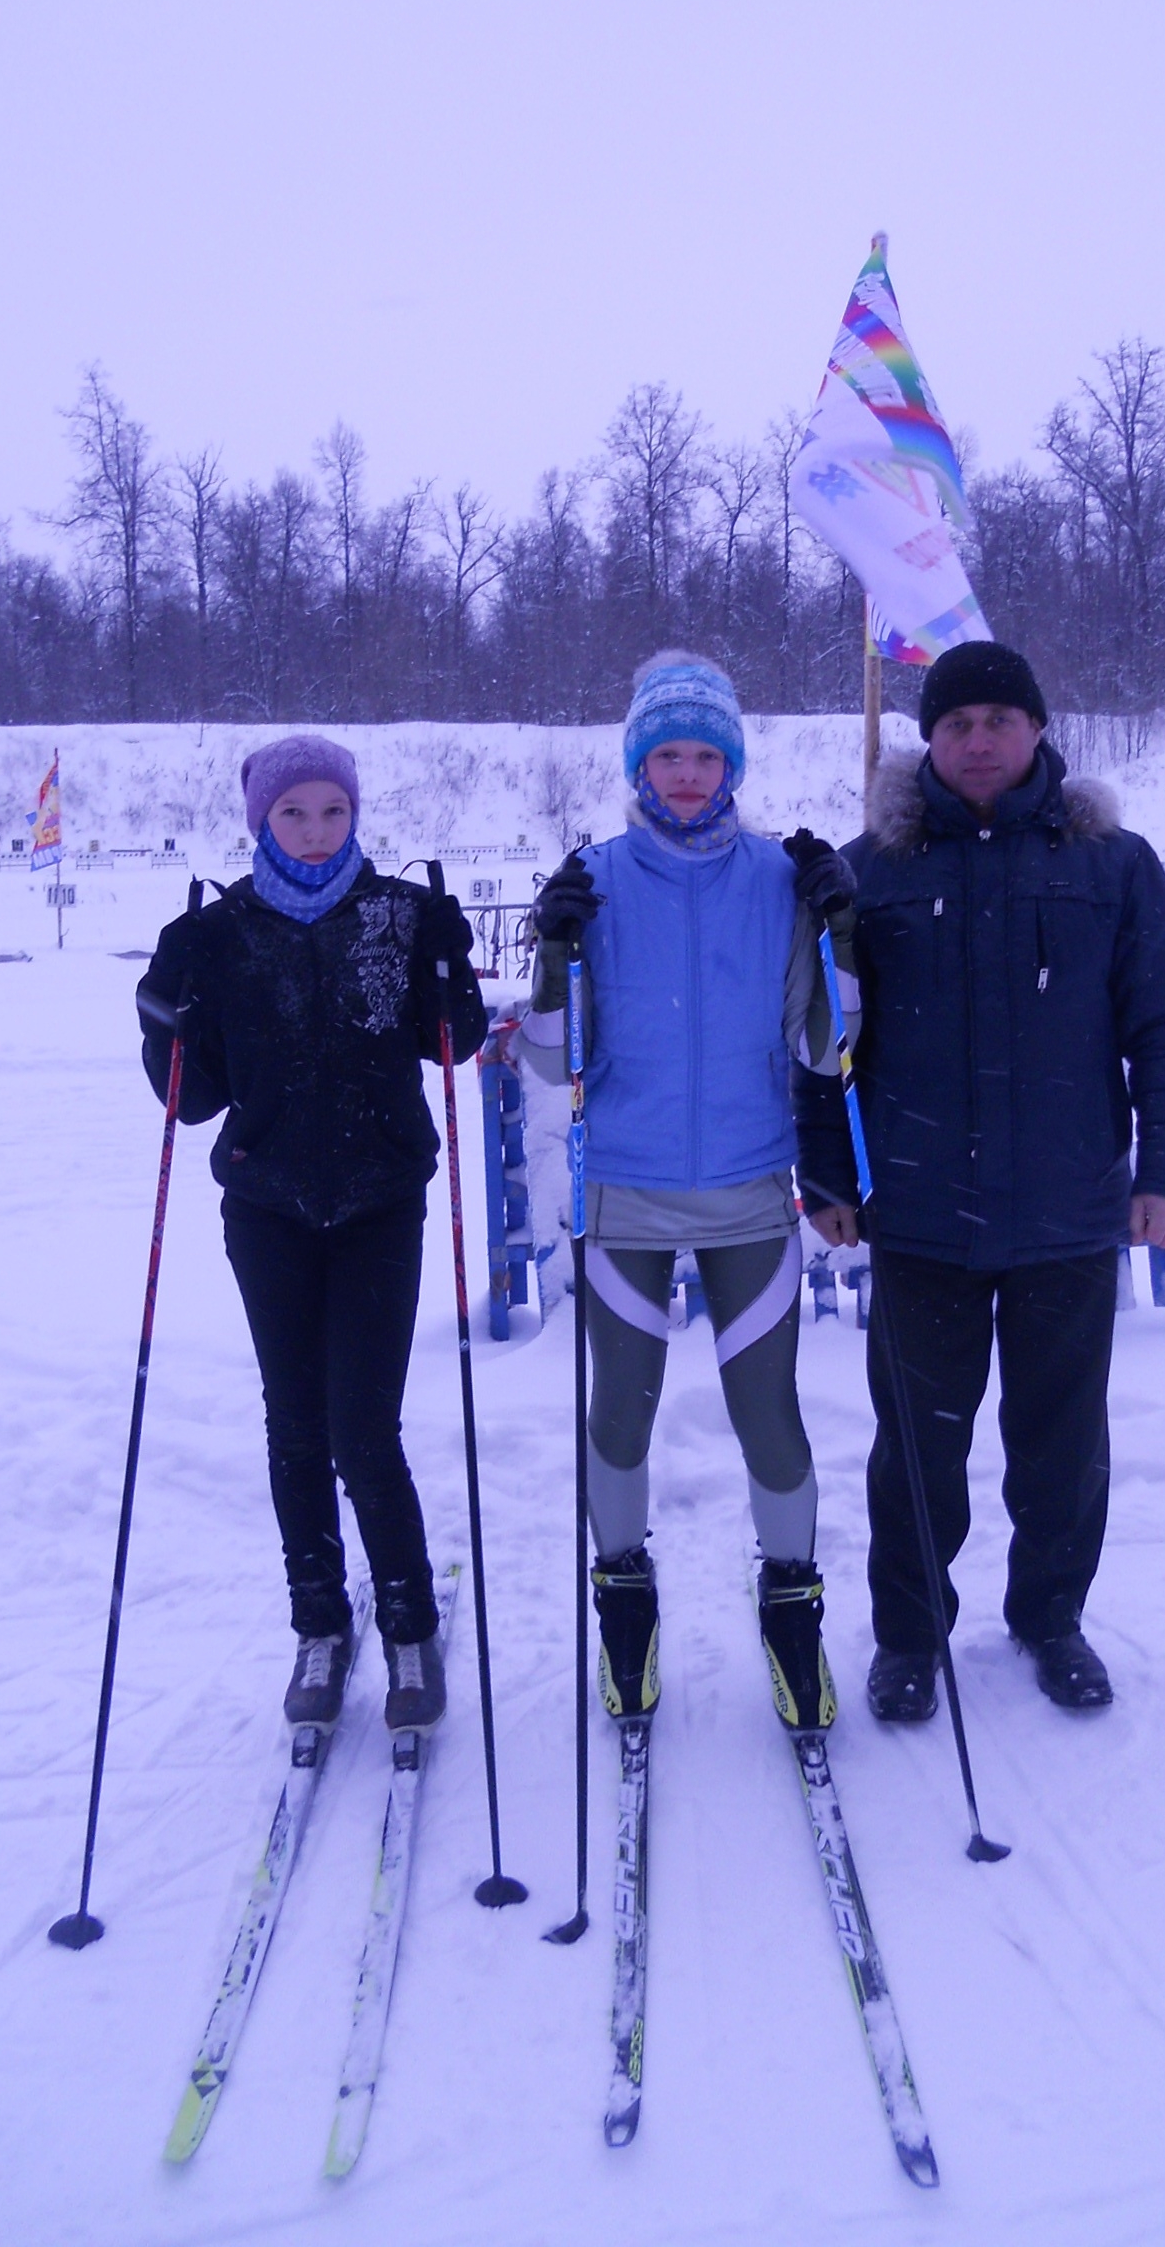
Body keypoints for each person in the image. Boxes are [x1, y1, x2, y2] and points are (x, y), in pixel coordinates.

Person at [796, 642, 1165, 1719]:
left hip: (1067, 1213)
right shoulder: (868, 871)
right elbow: (816, 1043)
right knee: (918, 1455)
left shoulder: (1112, 863)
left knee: (1062, 1447)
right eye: (956, 725)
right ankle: (909, 1636)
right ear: (926, 740)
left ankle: (1050, 1618)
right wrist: (828, 1177)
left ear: (1036, 729)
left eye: (998, 720)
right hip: (921, 1211)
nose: (978, 741)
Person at [520, 652, 856, 1734]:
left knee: (773, 1424)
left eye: (707, 753)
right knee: (618, 1419)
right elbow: (553, 1056)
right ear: (637, 759)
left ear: (734, 763)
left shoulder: (776, 880)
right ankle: (625, 1604)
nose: (686, 772)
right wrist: (551, 951)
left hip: (753, 1199)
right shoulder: (597, 877)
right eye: (666, 752)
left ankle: (794, 1613)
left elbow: (828, 1044)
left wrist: (840, 932)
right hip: (624, 1195)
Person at [135, 735, 485, 1732]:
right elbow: (191, 1100)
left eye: (333, 810)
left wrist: (452, 965)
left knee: (364, 1430)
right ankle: (320, 1626)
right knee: (293, 1425)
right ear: (262, 821)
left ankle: (410, 1626)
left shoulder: (398, 915)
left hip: (379, 1201)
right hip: (268, 1207)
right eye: (295, 813)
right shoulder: (221, 932)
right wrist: (162, 1020)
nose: (317, 830)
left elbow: (452, 1044)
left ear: (354, 814)